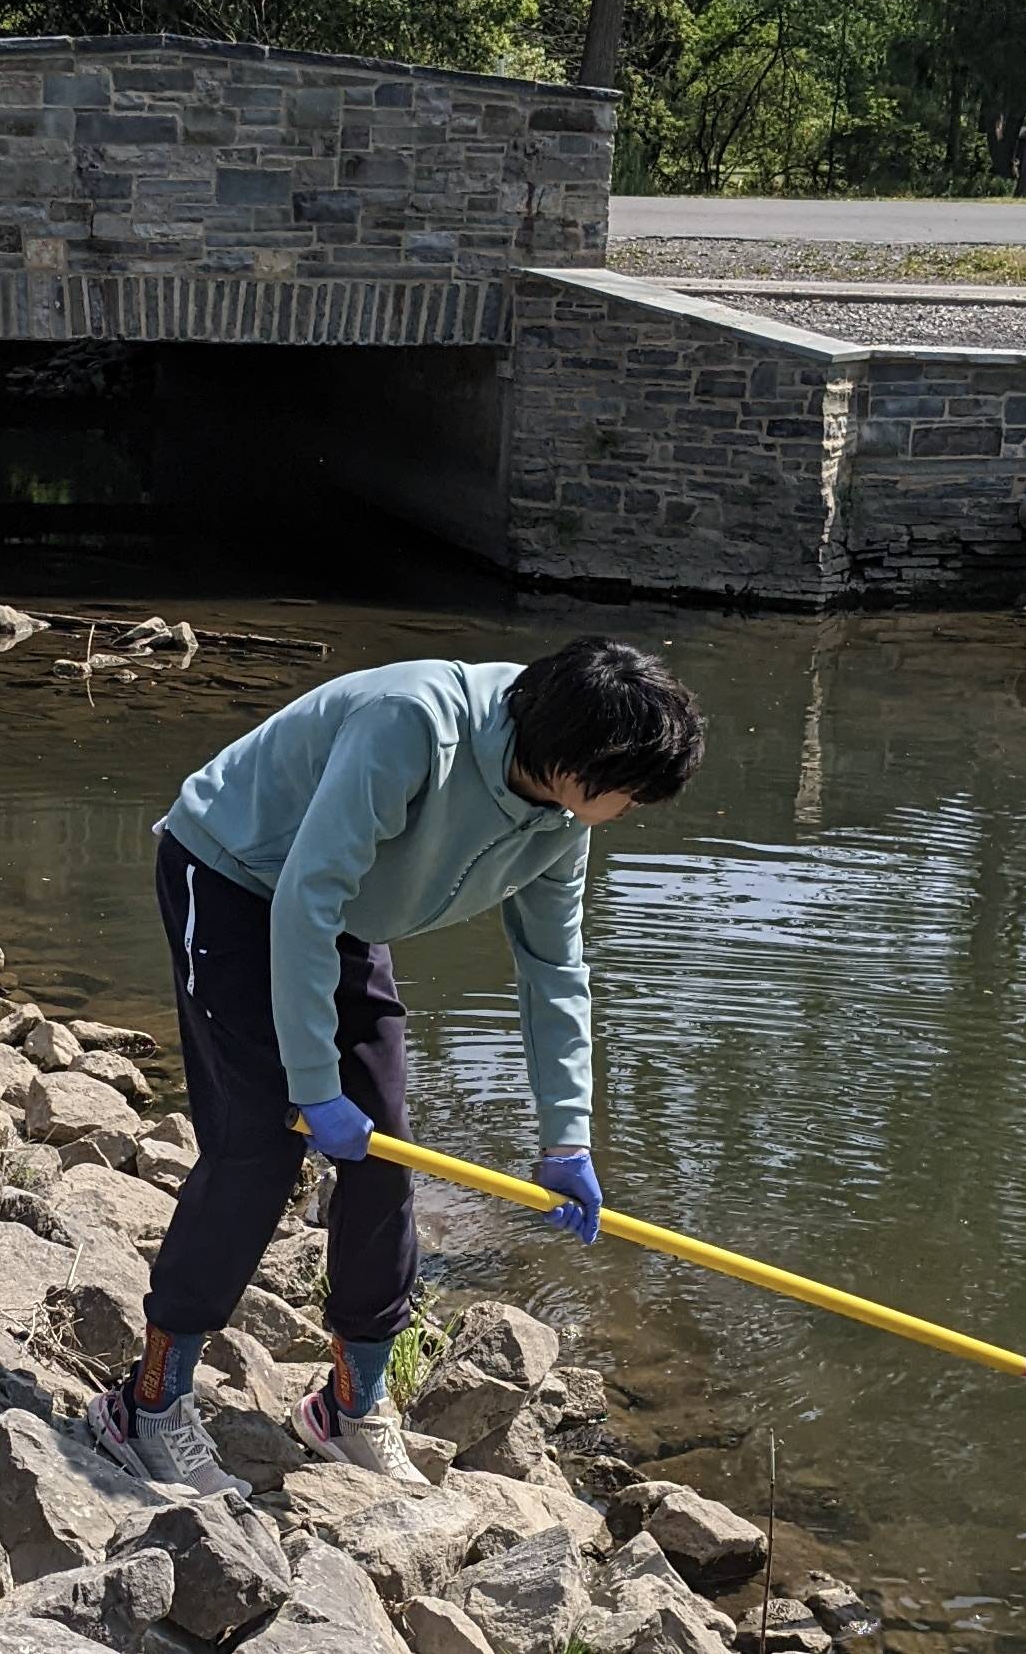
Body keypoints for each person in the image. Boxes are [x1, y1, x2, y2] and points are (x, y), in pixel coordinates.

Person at [88, 639, 704, 1491]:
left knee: (382, 1155)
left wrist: (568, 1136)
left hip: (338, 909)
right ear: (580, 760)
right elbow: (303, 892)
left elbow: (556, 970)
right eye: (631, 790)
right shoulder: (412, 725)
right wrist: (312, 1086)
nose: (632, 806)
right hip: (234, 876)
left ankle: (349, 1405)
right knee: (258, 1147)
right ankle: (146, 1403)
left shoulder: (562, 818)